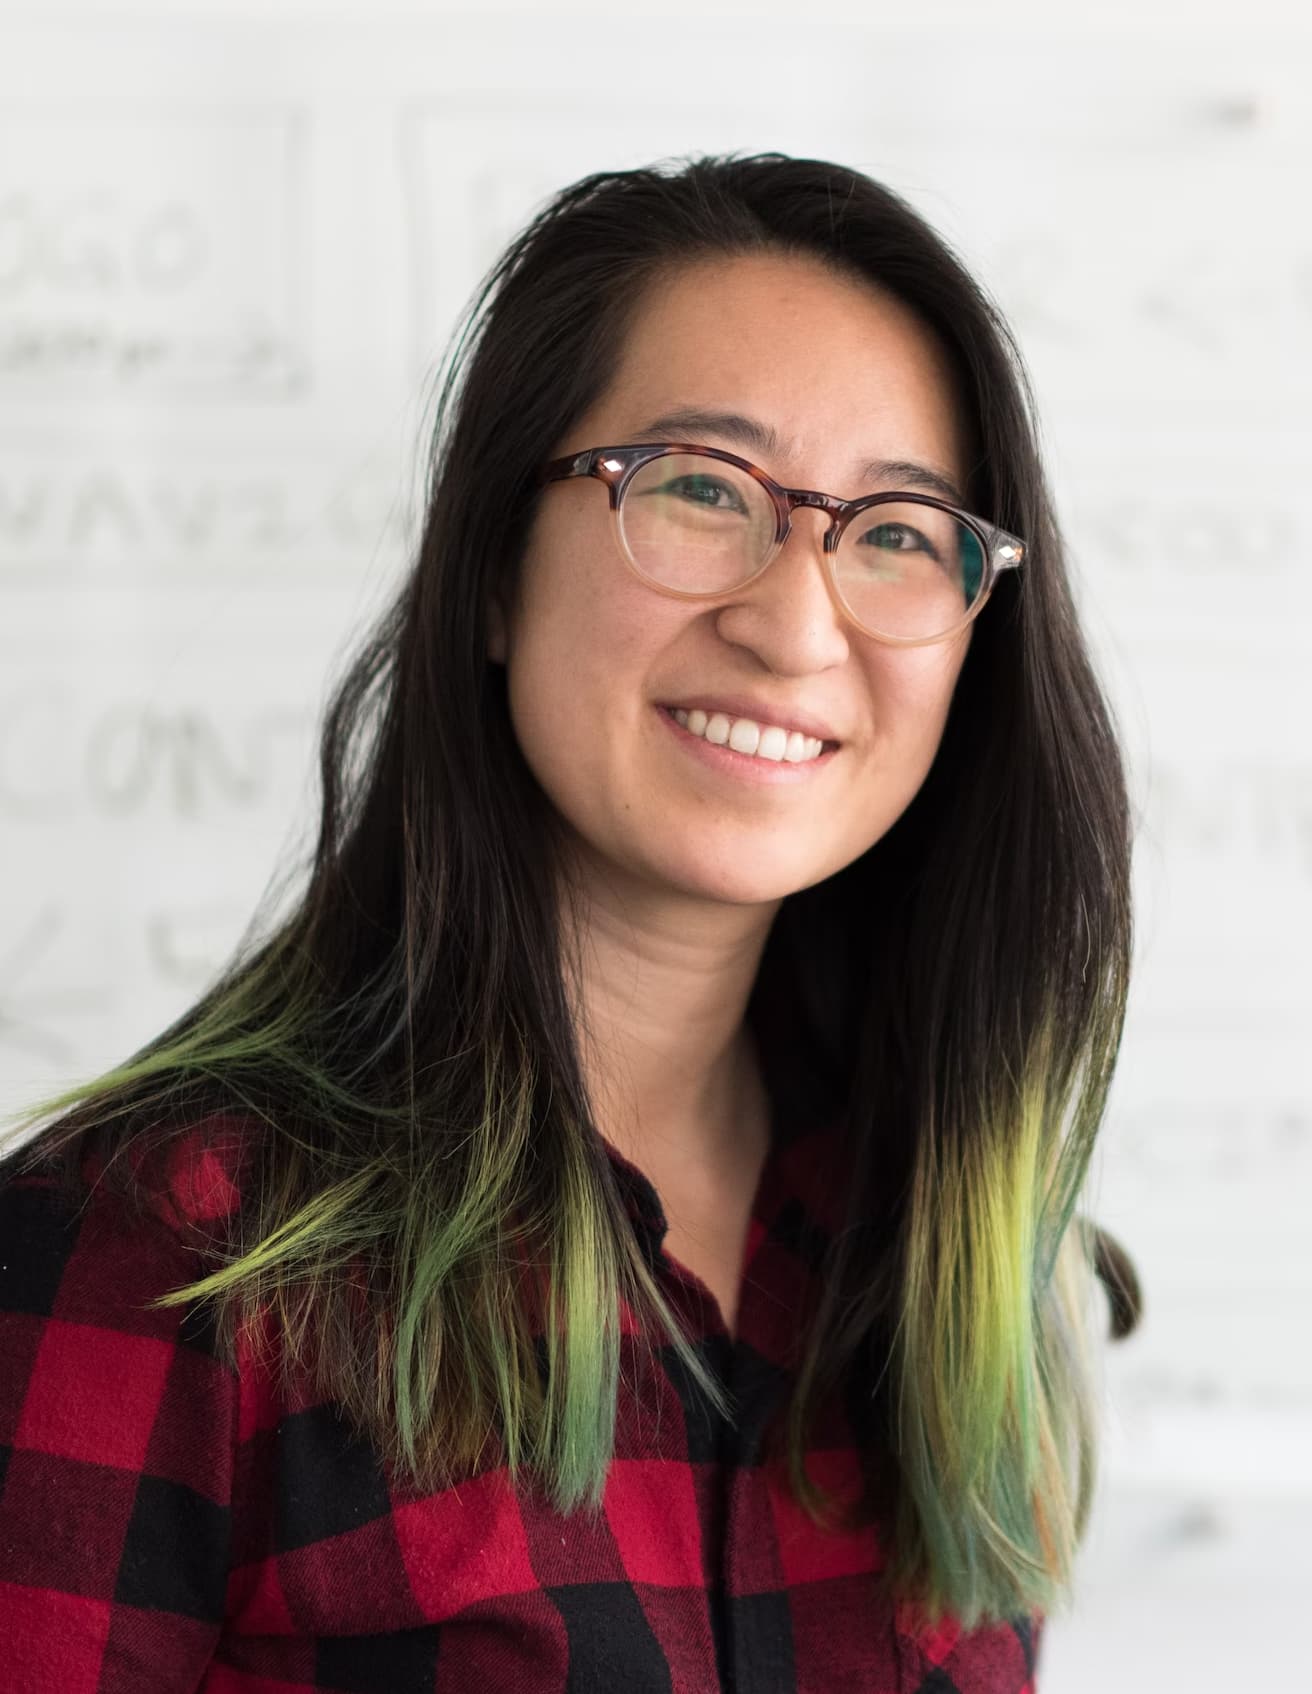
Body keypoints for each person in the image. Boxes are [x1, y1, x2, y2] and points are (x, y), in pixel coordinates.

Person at [0, 153, 1139, 1692]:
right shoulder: (164, 1248)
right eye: (695, 490)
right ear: (489, 567)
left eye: (894, 533)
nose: (794, 624)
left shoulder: (956, 1263)